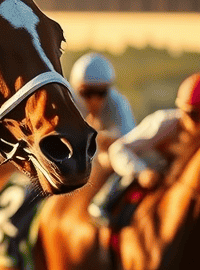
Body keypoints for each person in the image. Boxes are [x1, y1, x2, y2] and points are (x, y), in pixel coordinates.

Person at [89, 72, 200, 224]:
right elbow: (118, 149)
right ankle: (104, 207)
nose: (197, 123)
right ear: (180, 109)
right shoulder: (164, 123)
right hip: (144, 175)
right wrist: (141, 172)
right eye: (193, 114)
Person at [68, 52, 135, 149]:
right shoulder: (68, 102)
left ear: (109, 88)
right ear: (75, 88)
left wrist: (113, 140)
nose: (94, 100)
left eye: (101, 92)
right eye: (87, 93)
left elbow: (132, 138)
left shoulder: (117, 101)